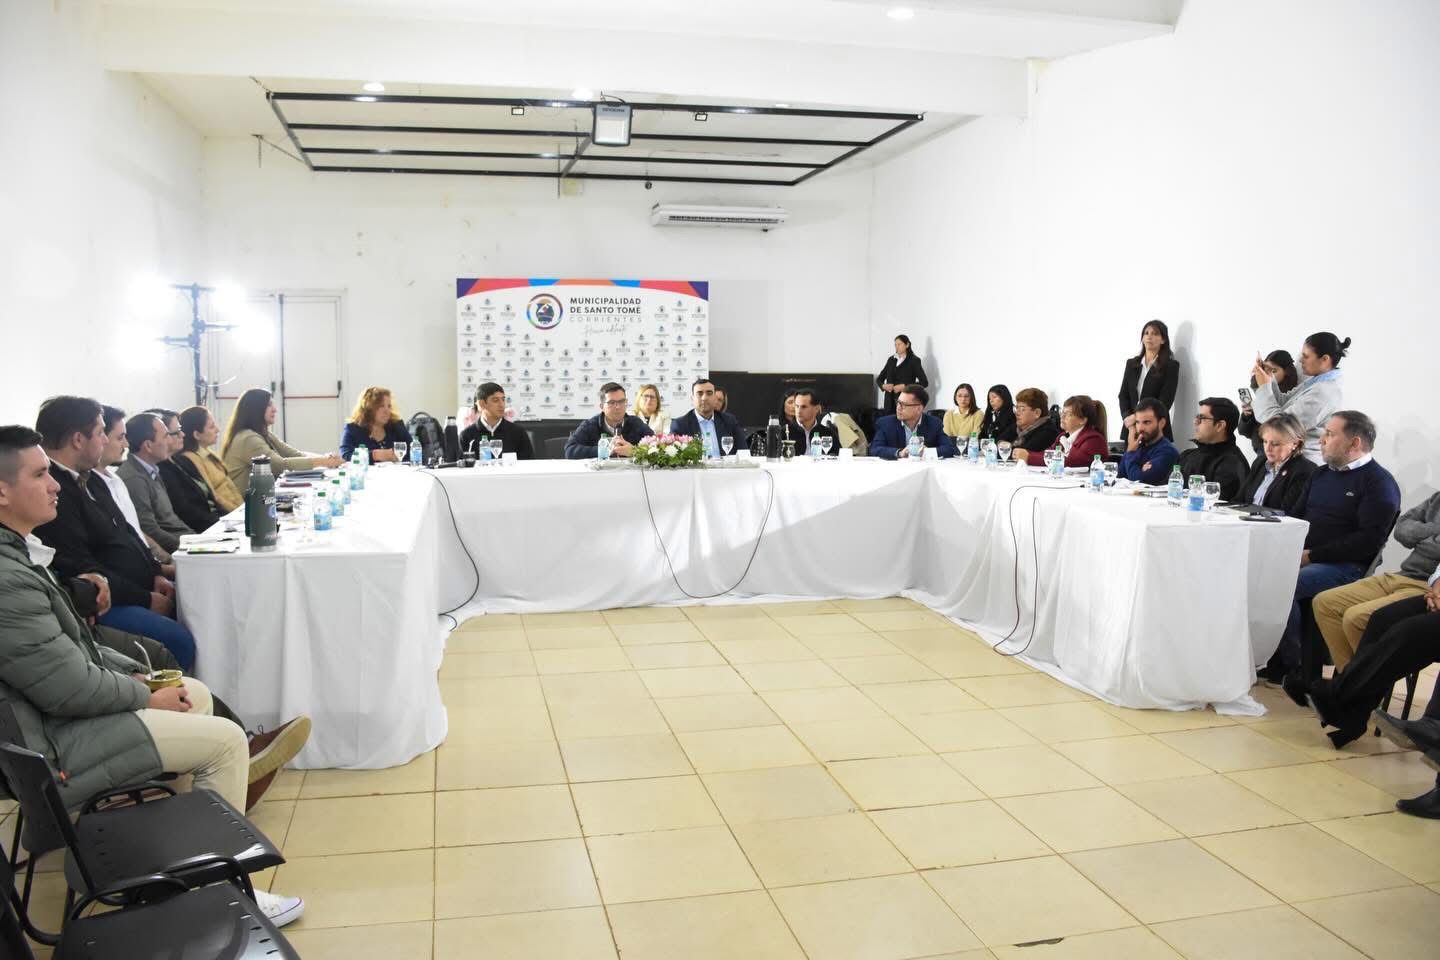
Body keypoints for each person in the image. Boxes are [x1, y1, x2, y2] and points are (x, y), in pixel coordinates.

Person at [0, 425, 308, 925]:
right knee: (224, 741)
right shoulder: (8, 578)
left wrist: (147, 682)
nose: (54, 484)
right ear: (3, 492)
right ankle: (216, 888)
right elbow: (67, 688)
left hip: (53, 722)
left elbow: (77, 653)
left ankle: (176, 855)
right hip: (51, 750)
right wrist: (143, 697)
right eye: (39, 475)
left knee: (192, 692)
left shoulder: (17, 554)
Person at [31, 397, 197, 673]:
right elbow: (80, 564)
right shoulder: (58, 492)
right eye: (101, 433)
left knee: (195, 608)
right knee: (178, 639)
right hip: (109, 601)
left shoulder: (90, 479)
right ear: (78, 440)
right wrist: (145, 598)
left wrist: (156, 572)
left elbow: (128, 531)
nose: (106, 440)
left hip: (135, 587)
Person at [1262, 411, 1402, 683]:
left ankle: (1295, 667)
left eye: (1330, 434)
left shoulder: (1378, 483)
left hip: (1346, 566)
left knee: (1284, 584)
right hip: (1306, 557)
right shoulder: (1321, 474)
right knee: (1256, 572)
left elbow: (1368, 542)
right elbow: (1296, 517)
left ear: (1354, 443)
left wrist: (1312, 556)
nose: (1321, 440)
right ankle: (1267, 655)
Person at [1299, 579, 1439, 765]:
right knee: (1382, 619)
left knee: (1409, 631)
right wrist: (1437, 588)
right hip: (1421, 586)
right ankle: (1356, 713)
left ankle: (1337, 693)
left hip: (1415, 583)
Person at [1311, 490, 1440, 669]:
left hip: (1427, 586)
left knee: (1355, 618)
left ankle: (1360, 681)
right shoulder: (1437, 498)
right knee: (1324, 603)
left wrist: (1423, 538)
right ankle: (1349, 679)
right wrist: (1434, 530)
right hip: (1402, 574)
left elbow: (1430, 547)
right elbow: (1401, 530)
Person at [1251, 332, 1349, 464]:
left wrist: (1264, 386)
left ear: (1325, 359)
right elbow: (1284, 402)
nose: (1301, 360)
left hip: (1303, 462)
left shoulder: (1325, 392)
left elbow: (1279, 426)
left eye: (1306, 356)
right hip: (1290, 457)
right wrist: (1267, 378)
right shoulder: (1317, 382)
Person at [96, 405, 174, 566]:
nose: (126, 444)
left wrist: (165, 563)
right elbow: (145, 531)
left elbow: (136, 532)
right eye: (120, 438)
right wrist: (167, 564)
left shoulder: (115, 479)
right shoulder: (131, 478)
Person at [222, 388, 343, 489]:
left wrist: (326, 458)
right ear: (256, 409)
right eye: (269, 405)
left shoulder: (263, 434)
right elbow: (278, 465)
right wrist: (324, 461)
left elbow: (293, 454)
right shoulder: (248, 438)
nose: (275, 409)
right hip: (244, 505)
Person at [117, 412, 196, 553]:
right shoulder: (135, 479)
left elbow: (171, 520)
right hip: (177, 550)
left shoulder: (152, 468)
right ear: (148, 445)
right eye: (166, 436)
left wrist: (196, 539)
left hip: (185, 541)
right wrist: (190, 547)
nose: (170, 441)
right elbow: (150, 530)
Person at [144, 407, 224, 535]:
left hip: (215, 522)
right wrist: (220, 525)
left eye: (180, 430)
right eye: (176, 432)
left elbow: (210, 497)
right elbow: (186, 512)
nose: (183, 435)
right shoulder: (160, 471)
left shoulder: (182, 459)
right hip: (201, 530)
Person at [1235, 414, 1316, 514]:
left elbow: (1286, 514)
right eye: (1265, 441)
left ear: (1295, 443)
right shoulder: (1260, 462)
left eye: (1275, 444)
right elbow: (1239, 500)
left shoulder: (1305, 471)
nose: (1267, 449)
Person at [1176, 397, 1250, 502]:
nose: (1195, 422)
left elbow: (1216, 503)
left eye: (1201, 418)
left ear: (1220, 425)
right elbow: (1167, 489)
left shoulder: (1232, 463)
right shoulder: (1187, 455)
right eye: (1196, 417)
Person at [1118, 319, 1180, 443]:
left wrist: (1137, 418)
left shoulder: (1171, 366)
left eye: (1155, 333)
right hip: (1131, 429)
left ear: (1163, 340)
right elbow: (1123, 395)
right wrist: (1127, 418)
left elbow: (1165, 401)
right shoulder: (1132, 364)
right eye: (1146, 333)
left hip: (1156, 429)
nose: (1149, 336)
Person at [177, 405, 244, 513]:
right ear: (197, 434)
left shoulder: (208, 453)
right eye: (212, 427)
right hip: (229, 515)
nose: (217, 430)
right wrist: (239, 513)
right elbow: (214, 496)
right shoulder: (192, 459)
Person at [565, 382, 654, 459]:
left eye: (621, 401)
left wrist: (635, 451)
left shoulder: (636, 423)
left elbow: (658, 447)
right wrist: (604, 450)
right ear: (602, 406)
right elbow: (570, 450)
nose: (618, 407)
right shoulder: (590, 425)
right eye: (612, 403)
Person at [1238, 350, 1299, 455]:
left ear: (1287, 372)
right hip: (1262, 455)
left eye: (1273, 371)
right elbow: (1245, 431)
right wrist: (1247, 416)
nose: (1267, 374)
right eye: (1265, 370)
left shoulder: (1291, 398)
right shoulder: (1262, 393)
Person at [871, 385, 957, 460]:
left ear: (919, 409)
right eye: (898, 402)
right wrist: (900, 453)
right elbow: (875, 449)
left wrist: (927, 451)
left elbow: (950, 449)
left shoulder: (934, 423)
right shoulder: (885, 423)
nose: (898, 407)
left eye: (903, 404)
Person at [670, 378, 747, 458]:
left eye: (709, 393)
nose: (704, 398)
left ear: (714, 398)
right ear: (692, 399)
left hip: (725, 465)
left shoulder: (729, 421)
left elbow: (743, 452)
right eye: (699, 393)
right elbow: (673, 458)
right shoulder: (680, 425)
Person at [1024, 395, 1107, 467]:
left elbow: (1072, 462)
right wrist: (1025, 454)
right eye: (1062, 412)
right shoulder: (1063, 436)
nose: (1062, 416)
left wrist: (1028, 457)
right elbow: (1046, 455)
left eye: (1069, 414)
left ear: (1083, 420)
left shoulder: (1094, 439)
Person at [458, 382, 533, 460]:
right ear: (482, 404)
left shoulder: (518, 432)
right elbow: (463, 466)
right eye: (495, 400)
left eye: (503, 399)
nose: (502, 405)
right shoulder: (467, 435)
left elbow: (529, 464)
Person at [339, 386, 414, 462]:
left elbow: (415, 452)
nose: (387, 411)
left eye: (389, 406)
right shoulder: (353, 428)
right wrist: (375, 455)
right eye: (381, 406)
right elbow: (346, 455)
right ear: (368, 408)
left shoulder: (396, 425)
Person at [1117, 398, 1179, 485]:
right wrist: (1137, 467)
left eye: (1146, 422)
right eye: (1137, 422)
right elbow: (1120, 477)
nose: (1140, 428)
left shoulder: (1167, 452)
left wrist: (1130, 453)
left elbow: (1139, 482)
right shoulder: (1136, 447)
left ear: (1161, 423)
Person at [875, 334, 928, 416]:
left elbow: (924, 382)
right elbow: (879, 379)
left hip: (906, 403)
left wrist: (905, 386)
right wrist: (883, 386)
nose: (896, 347)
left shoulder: (914, 361)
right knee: (889, 423)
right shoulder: (891, 360)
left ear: (907, 345)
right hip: (889, 404)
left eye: (899, 344)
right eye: (895, 345)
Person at [785, 389, 842, 454]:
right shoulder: (785, 432)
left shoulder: (828, 433)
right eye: (797, 406)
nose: (799, 411)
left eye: (804, 407)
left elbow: (839, 455)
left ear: (817, 409)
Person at [1011, 388, 1061, 457]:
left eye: (1022, 409)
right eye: (1017, 408)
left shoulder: (1047, 432)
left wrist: (1006, 447)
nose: (1017, 413)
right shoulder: (1020, 428)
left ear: (1037, 413)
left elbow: (1019, 454)